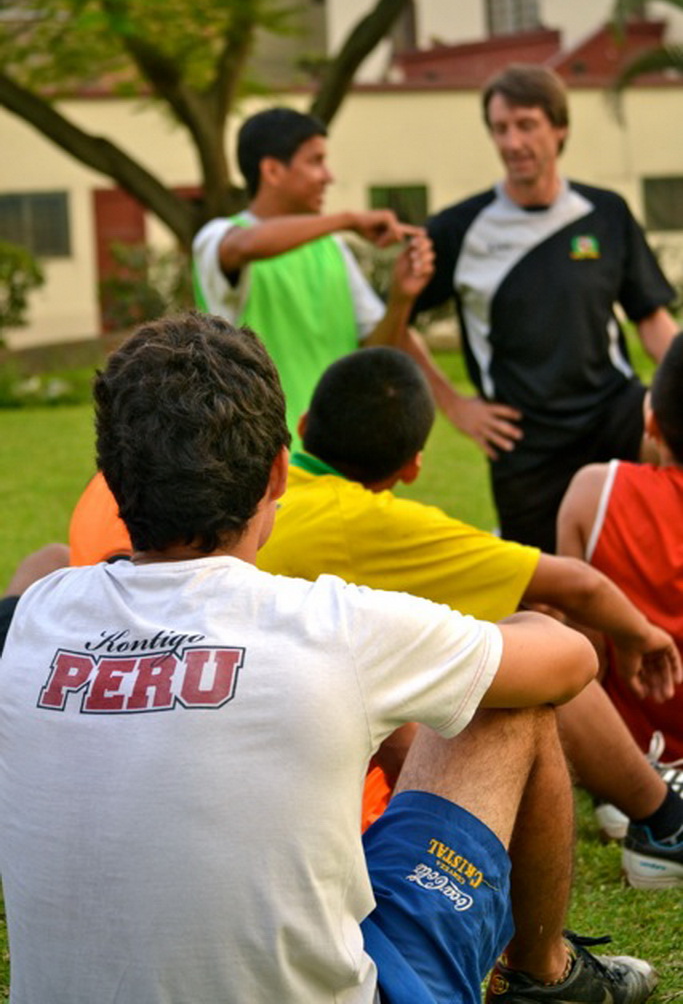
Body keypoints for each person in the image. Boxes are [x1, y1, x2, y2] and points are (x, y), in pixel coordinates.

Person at [0, 311, 656, 1004]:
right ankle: (544, 975)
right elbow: (569, 663)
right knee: (503, 704)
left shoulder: (31, 624)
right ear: (279, 471)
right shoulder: (334, 622)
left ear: (110, 476)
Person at [256, 345, 683, 891]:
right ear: (413, 465)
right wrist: (642, 634)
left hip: (241, 752)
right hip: (320, 798)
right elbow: (578, 585)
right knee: (535, 648)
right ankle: (664, 822)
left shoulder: (264, 494)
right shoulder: (364, 520)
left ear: (304, 426)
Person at [405, 64, 679, 553]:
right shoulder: (458, 228)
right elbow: (390, 323)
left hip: (613, 411)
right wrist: (457, 407)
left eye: (526, 124)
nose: (512, 142)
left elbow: (652, 319)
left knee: (666, 496)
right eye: (500, 128)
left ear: (560, 128)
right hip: (524, 442)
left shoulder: (606, 213)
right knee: (551, 604)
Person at [192, 106, 434, 442]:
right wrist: (348, 219)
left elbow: (370, 357)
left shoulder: (333, 248)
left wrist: (400, 299)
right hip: (261, 464)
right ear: (272, 170)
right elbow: (243, 246)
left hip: (336, 461)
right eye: (316, 161)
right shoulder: (218, 237)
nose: (329, 176)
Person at [558, 330, 683, 866]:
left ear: (650, 421)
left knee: (550, 638)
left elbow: (581, 647)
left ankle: (626, 783)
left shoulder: (594, 489)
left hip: (630, 751)